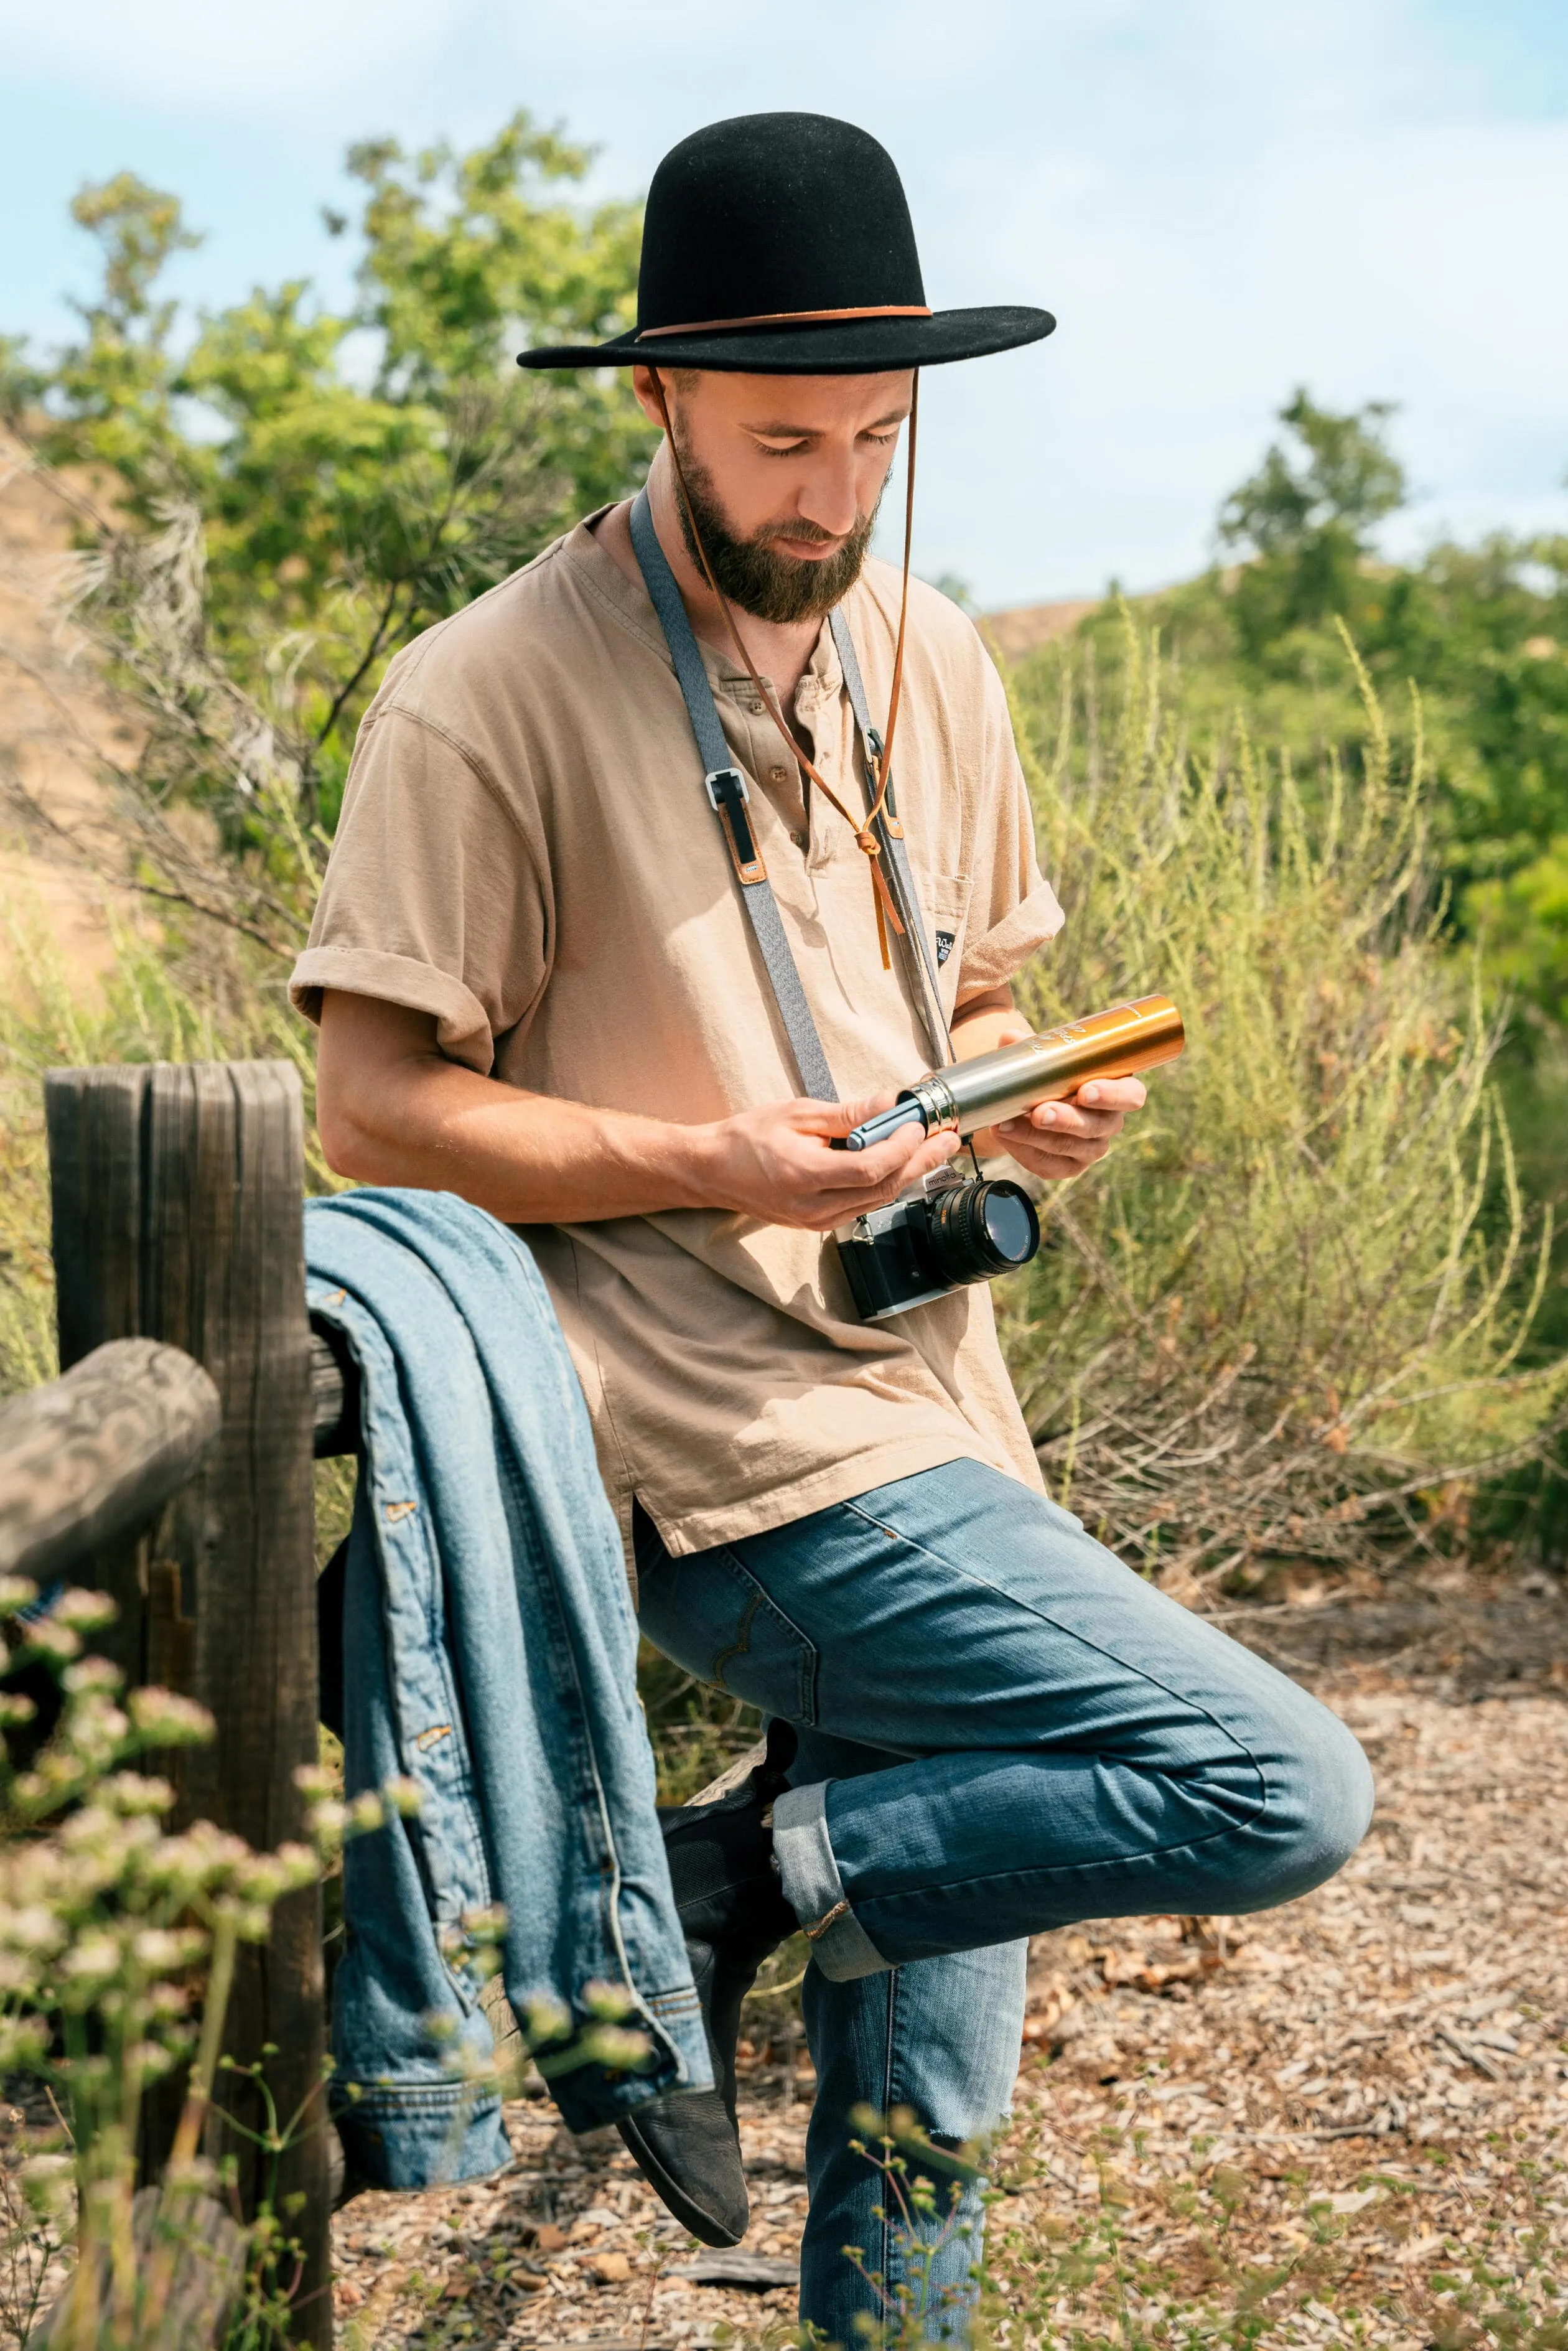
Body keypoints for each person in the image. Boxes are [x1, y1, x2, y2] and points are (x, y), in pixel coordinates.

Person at [294, 111, 1373, 2344]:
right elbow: (373, 1108)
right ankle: (719, 1883)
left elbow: (960, 986)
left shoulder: (929, 648)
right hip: (720, 1443)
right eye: (785, 442)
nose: (833, 497)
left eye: (878, 440)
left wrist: (1029, 1094)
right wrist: (723, 1162)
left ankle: (760, 1942)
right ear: (655, 397)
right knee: (1277, 1784)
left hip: (939, 1406)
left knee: (931, 2116)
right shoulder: (482, 691)